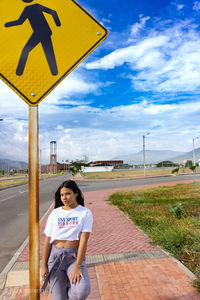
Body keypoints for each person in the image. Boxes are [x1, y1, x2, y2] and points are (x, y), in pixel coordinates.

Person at [41, 180, 93, 300]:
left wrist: (78, 266)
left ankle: (70, 293)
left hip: (73, 258)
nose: (65, 197)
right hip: (55, 258)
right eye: (62, 195)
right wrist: (43, 265)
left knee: (82, 291)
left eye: (68, 193)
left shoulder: (85, 213)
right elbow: (47, 240)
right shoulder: (55, 213)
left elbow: (83, 241)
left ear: (76, 193)